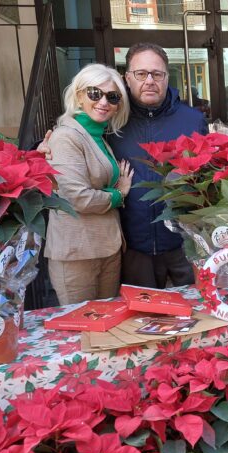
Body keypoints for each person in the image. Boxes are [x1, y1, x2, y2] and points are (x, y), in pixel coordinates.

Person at [110, 43, 209, 289]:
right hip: (133, 246)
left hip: (184, 244)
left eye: (157, 74)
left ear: (167, 77)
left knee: (194, 317)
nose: (150, 81)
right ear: (127, 78)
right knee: (143, 321)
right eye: (141, 74)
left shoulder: (193, 120)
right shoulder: (111, 121)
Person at [45, 64, 133, 305]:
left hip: (106, 248)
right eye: (95, 93)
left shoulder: (97, 137)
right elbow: (77, 198)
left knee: (106, 328)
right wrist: (118, 194)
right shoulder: (66, 137)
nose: (103, 102)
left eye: (112, 97)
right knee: (81, 331)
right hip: (77, 253)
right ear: (79, 95)